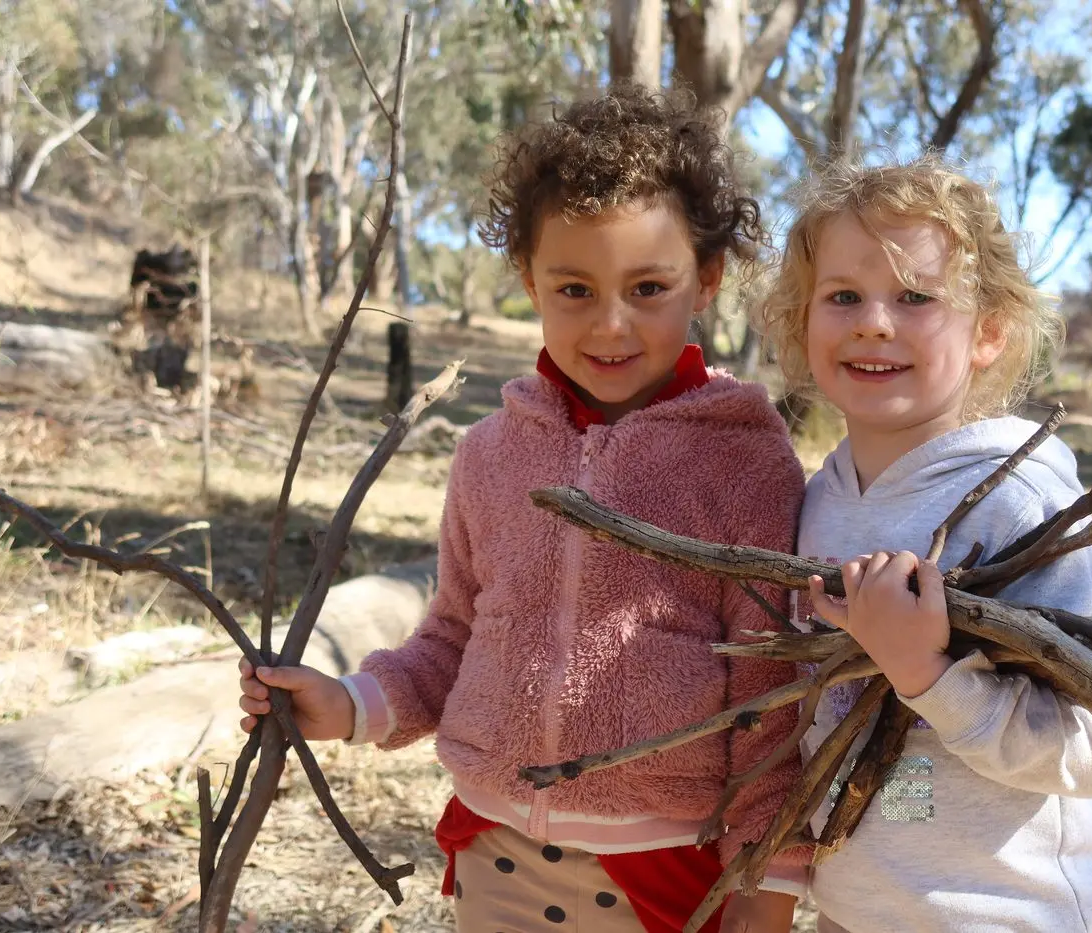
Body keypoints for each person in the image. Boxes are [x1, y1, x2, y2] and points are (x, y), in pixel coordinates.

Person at [238, 84, 807, 933]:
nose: (610, 324)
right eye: (573, 288)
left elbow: (772, 700)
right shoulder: (490, 455)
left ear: (708, 277)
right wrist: (350, 704)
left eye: (648, 286)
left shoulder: (745, 463)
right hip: (493, 852)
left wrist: (763, 897)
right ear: (526, 278)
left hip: (665, 874)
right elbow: (451, 640)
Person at [754, 154, 1092, 933]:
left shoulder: (1022, 502)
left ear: (989, 331)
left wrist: (926, 674)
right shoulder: (820, 498)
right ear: (801, 319)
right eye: (843, 296)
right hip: (850, 913)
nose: (872, 320)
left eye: (915, 296)